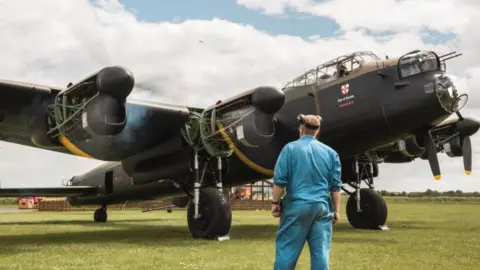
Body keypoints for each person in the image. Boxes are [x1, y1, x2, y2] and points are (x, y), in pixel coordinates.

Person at [271, 114, 342, 270]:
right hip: (322, 209)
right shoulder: (331, 153)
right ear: (317, 131)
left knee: (286, 252)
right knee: (321, 253)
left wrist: (275, 203)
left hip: (297, 207)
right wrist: (336, 211)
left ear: (301, 128)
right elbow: (336, 187)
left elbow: (280, 180)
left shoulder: (289, 149)